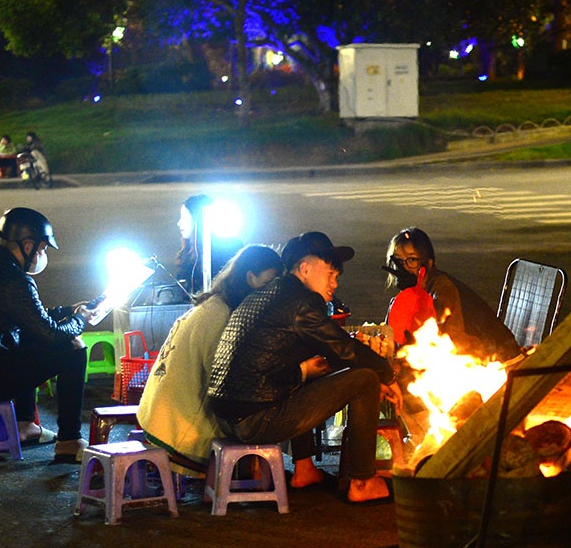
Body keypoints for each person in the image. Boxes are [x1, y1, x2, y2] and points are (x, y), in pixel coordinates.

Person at [208, 231, 401, 503]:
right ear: (305, 268)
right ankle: (363, 480)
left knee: (314, 372)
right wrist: (387, 374)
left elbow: (328, 353)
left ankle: (304, 468)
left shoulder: (268, 294)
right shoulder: (303, 302)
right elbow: (344, 349)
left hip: (227, 415)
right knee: (366, 380)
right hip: (257, 419)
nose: (334, 283)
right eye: (330, 274)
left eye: (337, 276)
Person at [0, 207, 99, 463]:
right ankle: (69, 440)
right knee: (73, 347)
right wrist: (82, 320)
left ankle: (25, 426)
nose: (42, 255)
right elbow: (52, 335)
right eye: (43, 249)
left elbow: (32, 318)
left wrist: (70, 310)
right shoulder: (12, 279)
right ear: (27, 245)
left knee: (25, 337)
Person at [137, 245, 283, 478]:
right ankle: (259, 475)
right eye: (268, 284)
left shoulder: (214, 304)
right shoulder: (222, 315)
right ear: (250, 278)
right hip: (176, 428)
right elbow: (227, 380)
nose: (273, 293)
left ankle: (260, 472)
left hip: (155, 417)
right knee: (264, 409)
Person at [384, 227, 520, 362]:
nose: (403, 267)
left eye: (412, 260)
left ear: (428, 264)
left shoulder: (443, 290)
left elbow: (451, 342)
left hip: (500, 361)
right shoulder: (414, 293)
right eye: (398, 261)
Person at [174, 194, 242, 297]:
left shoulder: (229, 247)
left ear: (198, 220)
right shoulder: (187, 250)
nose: (179, 223)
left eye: (184, 218)